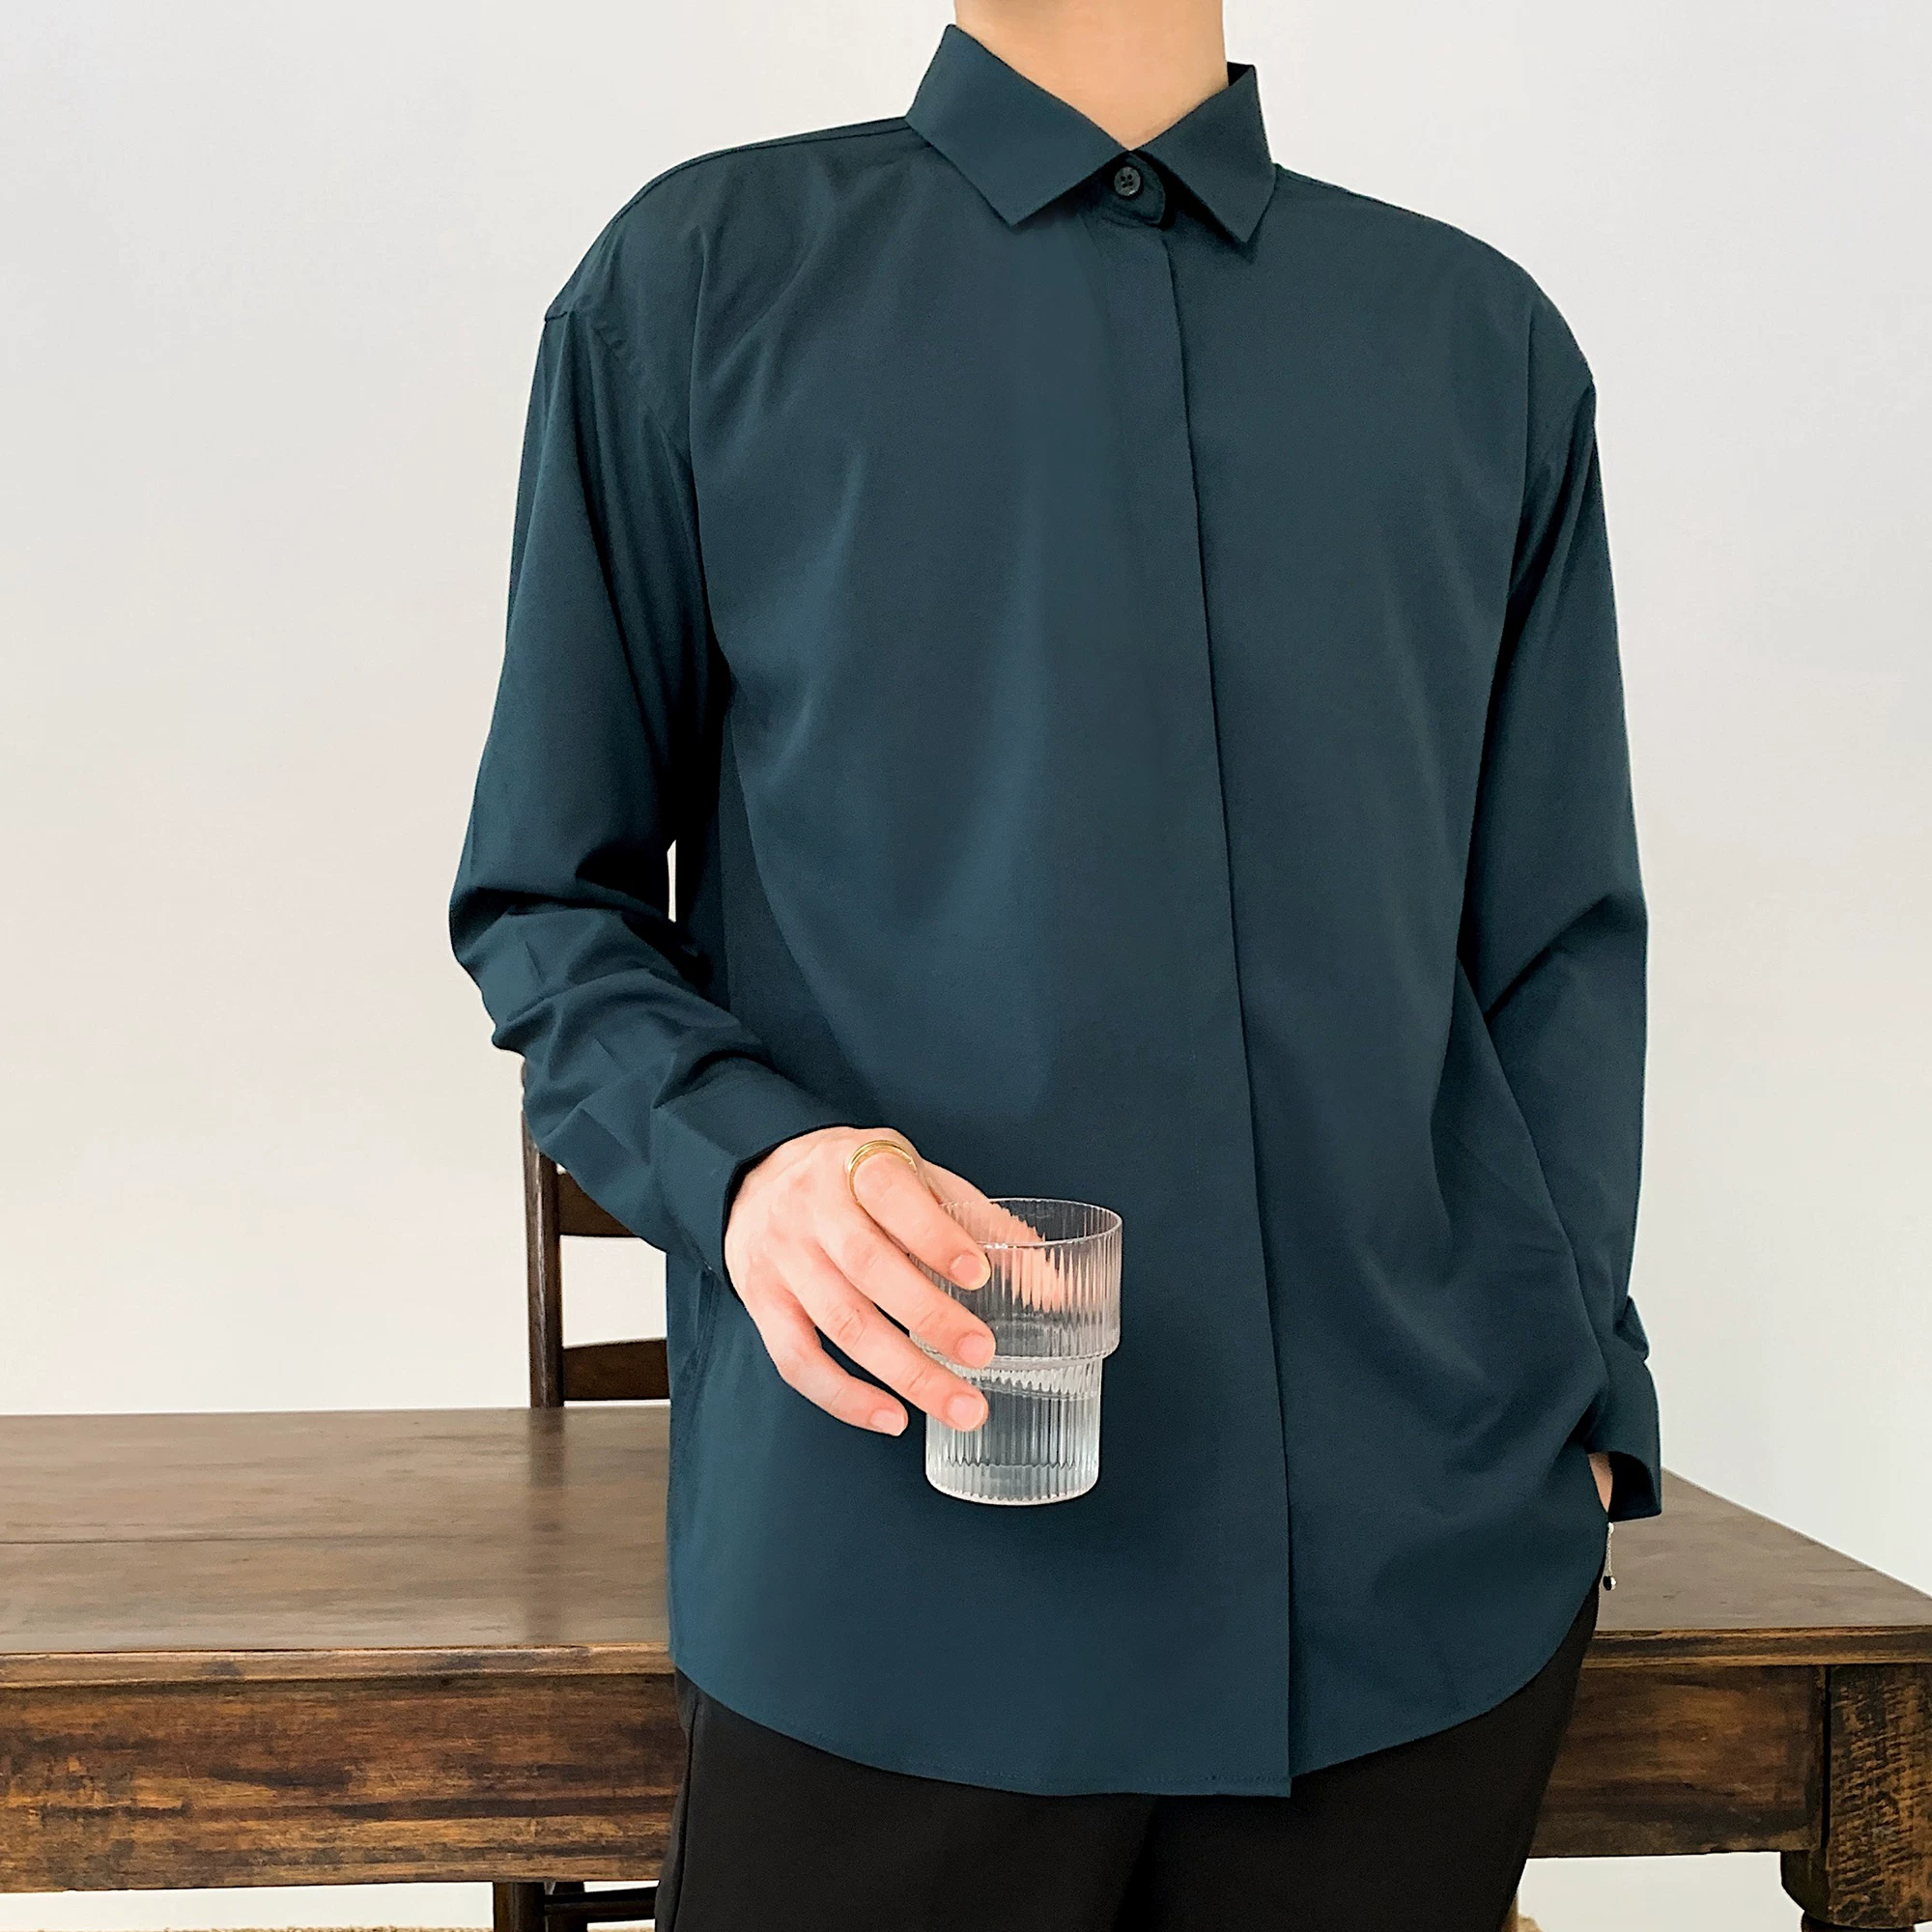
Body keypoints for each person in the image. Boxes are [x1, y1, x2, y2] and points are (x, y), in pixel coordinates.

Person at [448, 0, 1662, 1923]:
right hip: (889, 1573)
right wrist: (749, 1165)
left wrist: (1580, 1401)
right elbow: (549, 898)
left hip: (1412, 1596)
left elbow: (1557, 943)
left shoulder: (1477, 344)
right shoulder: (697, 285)